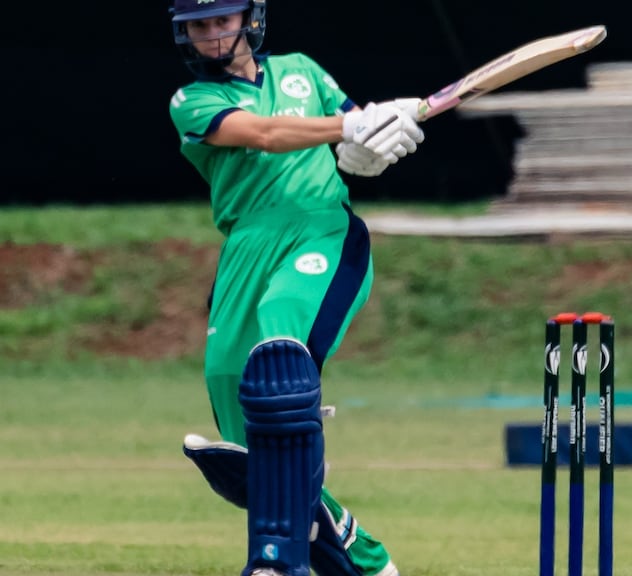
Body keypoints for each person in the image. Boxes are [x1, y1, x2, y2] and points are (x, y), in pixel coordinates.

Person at [166, 1, 423, 575]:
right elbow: (264, 132)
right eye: (200, 26)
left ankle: (274, 563)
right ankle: (358, 554)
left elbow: (357, 135)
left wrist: (366, 149)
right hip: (246, 246)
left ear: (250, 20)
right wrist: (348, 127)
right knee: (238, 397)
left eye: (222, 21)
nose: (212, 36)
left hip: (320, 228)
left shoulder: (304, 71)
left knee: (277, 348)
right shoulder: (192, 101)